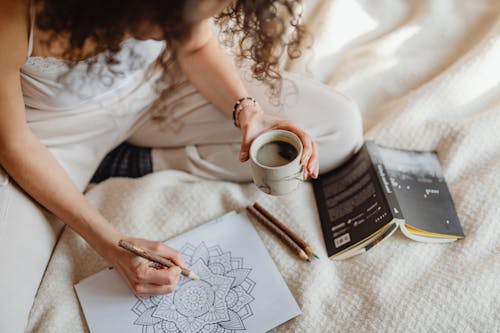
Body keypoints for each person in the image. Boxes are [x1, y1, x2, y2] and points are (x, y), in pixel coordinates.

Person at [0, 0, 362, 331]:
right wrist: (112, 243)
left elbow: (195, 46)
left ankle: (140, 160)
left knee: (338, 126)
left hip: (159, 90)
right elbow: (14, 145)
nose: (180, 29)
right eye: (170, 21)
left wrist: (250, 114)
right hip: (53, 137)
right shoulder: (12, 14)